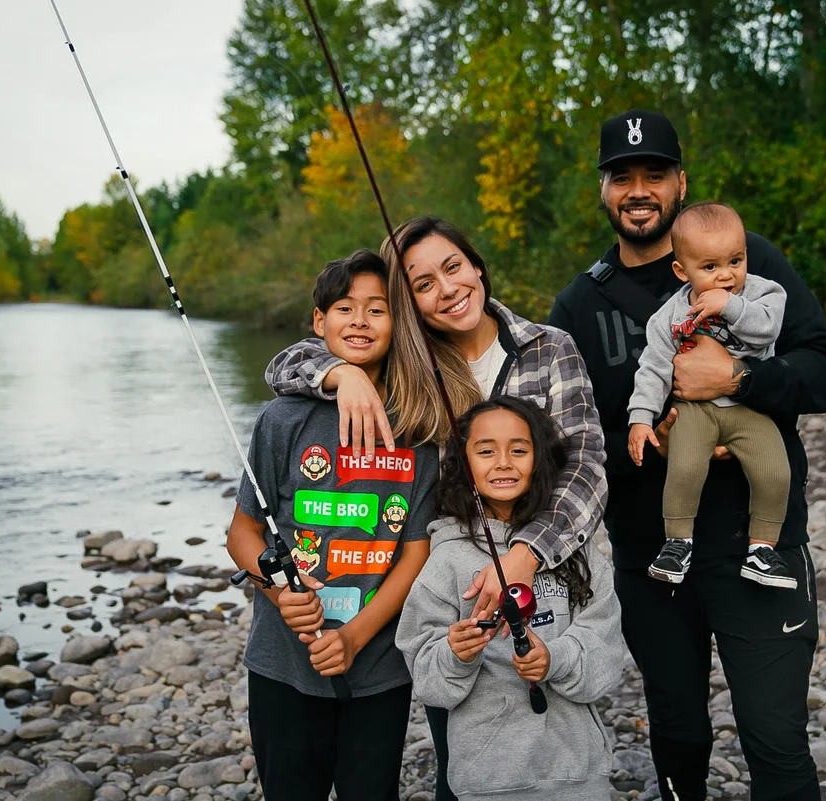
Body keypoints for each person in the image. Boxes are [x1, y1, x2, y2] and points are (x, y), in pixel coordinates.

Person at [548, 109, 826, 801]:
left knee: (773, 735)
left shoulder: (747, 260)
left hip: (756, 546)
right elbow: (568, 442)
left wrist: (740, 380)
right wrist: (648, 439)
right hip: (651, 557)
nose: (639, 189)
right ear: (603, 190)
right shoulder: (578, 306)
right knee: (678, 729)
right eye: (622, 176)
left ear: (680, 181)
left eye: (655, 172)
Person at [264, 216, 606, 801]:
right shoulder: (411, 364)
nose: (447, 289)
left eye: (453, 268)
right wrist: (341, 373)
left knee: (561, 701)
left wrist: (528, 553)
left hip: (553, 562)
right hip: (458, 573)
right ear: (410, 306)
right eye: (422, 285)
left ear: (477, 266)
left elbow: (587, 468)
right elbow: (286, 362)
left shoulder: (550, 348)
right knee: (463, 720)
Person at [226, 250, 439, 801]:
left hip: (378, 669)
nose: (361, 321)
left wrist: (353, 636)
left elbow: (414, 555)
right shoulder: (282, 419)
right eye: (345, 308)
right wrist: (277, 590)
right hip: (282, 665)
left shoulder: (417, 428)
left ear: (399, 323)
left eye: (377, 309)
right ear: (319, 324)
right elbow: (243, 534)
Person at [395, 396, 624, 801]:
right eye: (485, 451)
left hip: (579, 775)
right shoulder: (446, 559)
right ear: (464, 466)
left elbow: (605, 651)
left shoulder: (577, 551)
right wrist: (455, 653)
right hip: (488, 781)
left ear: (541, 460)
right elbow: (428, 678)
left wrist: (555, 659)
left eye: (518, 449)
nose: (503, 462)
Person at [627, 201, 794, 588]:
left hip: (747, 406)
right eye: (710, 267)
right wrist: (640, 418)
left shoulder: (764, 294)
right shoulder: (668, 317)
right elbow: (653, 368)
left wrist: (731, 306)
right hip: (694, 408)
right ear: (682, 271)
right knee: (684, 466)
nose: (726, 276)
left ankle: (763, 551)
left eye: (735, 261)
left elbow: (768, 330)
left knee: (774, 470)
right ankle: (677, 543)